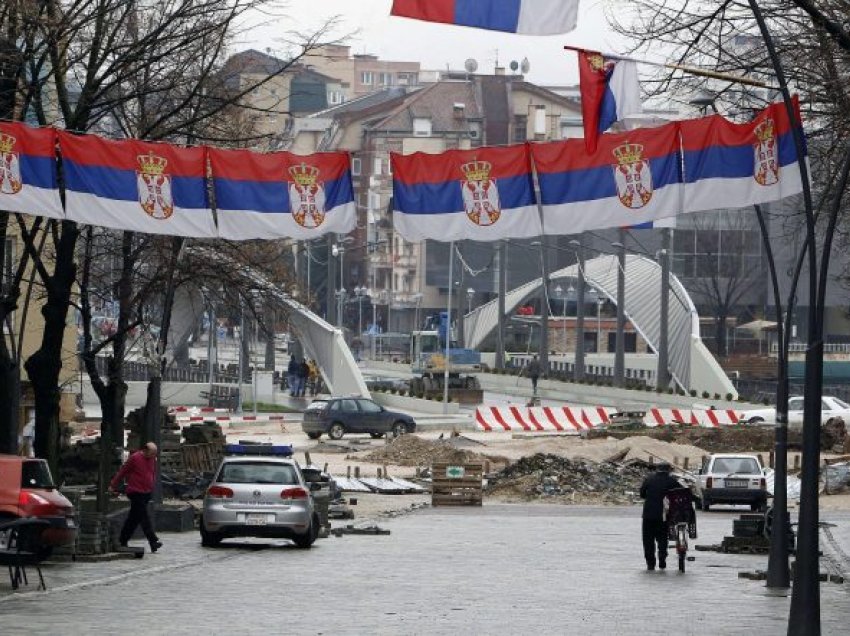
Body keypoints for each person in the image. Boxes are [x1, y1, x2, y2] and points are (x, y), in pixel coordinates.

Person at [110, 442, 162, 553]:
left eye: (155, 454)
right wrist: (113, 485)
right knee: (144, 516)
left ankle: (122, 540)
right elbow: (123, 471)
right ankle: (153, 540)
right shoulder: (135, 458)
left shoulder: (152, 459)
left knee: (133, 519)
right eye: (152, 453)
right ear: (145, 450)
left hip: (146, 492)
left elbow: (152, 473)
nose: (154, 456)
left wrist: (151, 486)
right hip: (135, 491)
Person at [639, 462, 682, 570]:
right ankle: (662, 558)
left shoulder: (649, 479)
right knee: (662, 538)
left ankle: (650, 563)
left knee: (648, 539)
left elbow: (642, 494)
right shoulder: (672, 481)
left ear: (657, 469)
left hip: (648, 514)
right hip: (664, 515)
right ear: (668, 470)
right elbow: (681, 494)